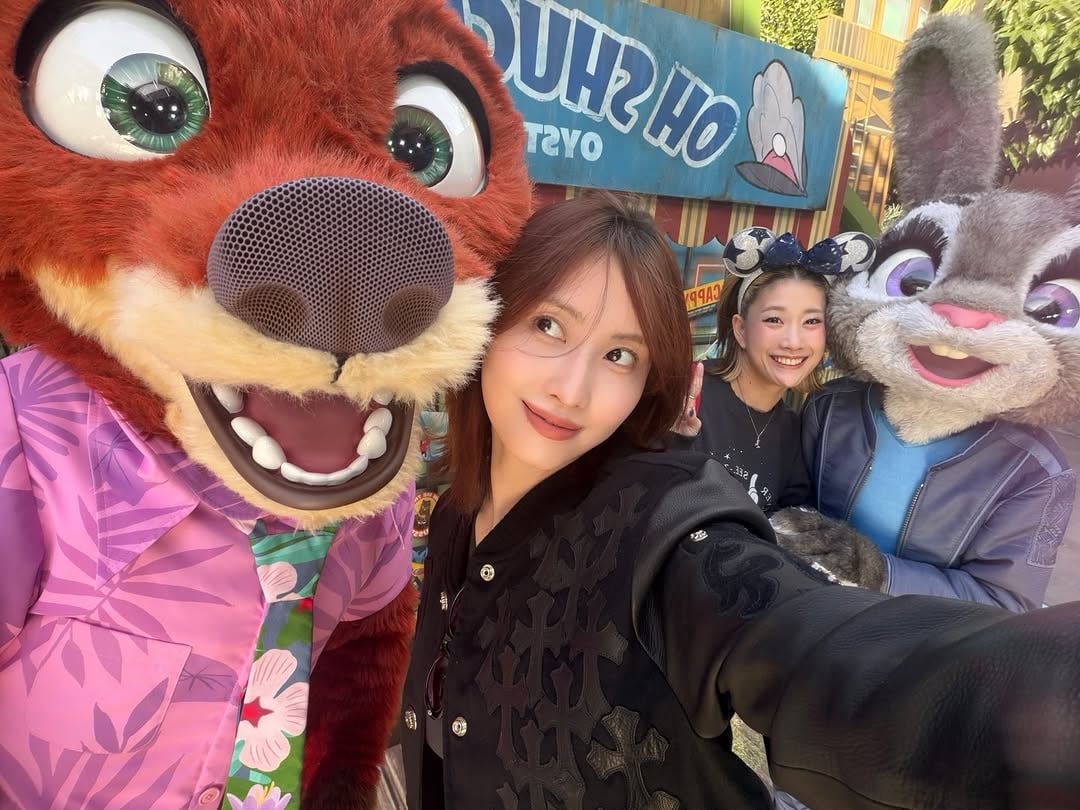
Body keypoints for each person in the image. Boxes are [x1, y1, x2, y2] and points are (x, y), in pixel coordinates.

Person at [397, 192, 1080, 809]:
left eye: (620, 356)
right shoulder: (458, 509)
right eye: (548, 325)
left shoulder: (662, 529)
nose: (570, 390)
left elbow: (803, 635)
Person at [669, 228, 845, 515]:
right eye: (774, 319)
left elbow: (789, 525)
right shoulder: (686, 392)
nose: (793, 342)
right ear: (740, 329)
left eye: (812, 321)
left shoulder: (794, 434)